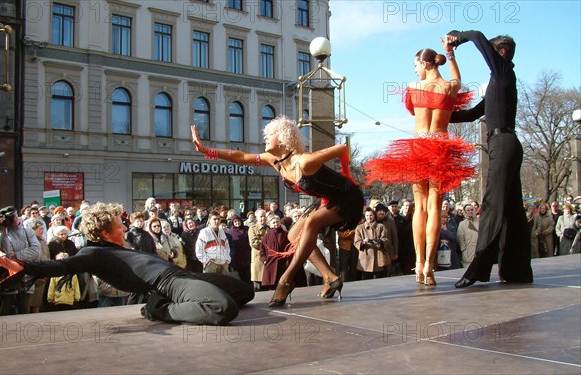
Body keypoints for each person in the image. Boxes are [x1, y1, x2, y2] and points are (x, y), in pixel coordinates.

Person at [0, 202, 255, 325]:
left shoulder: (120, 246)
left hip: (182, 275)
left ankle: (162, 303)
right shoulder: (93, 253)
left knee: (246, 291)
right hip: (170, 286)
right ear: (103, 232)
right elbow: (61, 267)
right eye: (118, 225)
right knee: (223, 308)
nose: (124, 228)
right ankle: (159, 309)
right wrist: (22, 265)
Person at [191, 115, 364, 307]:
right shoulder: (274, 160)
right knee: (293, 235)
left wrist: (347, 173)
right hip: (330, 199)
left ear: (283, 138)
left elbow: (341, 149)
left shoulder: (304, 162)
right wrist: (208, 151)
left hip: (349, 198)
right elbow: (241, 157)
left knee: (311, 222)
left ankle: (286, 280)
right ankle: (330, 277)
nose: (265, 138)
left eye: (270, 134)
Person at [364, 37, 474, 286]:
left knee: (420, 206)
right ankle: (429, 265)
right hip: (440, 146)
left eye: (415, 64)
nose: (414, 70)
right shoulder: (448, 87)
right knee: (435, 206)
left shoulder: (414, 87)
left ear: (425, 64)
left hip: (419, 145)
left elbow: (413, 110)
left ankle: (418, 262)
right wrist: (451, 54)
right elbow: (457, 80)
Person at [448, 30, 533, 287]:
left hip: (504, 145)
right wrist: (441, 115)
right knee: (512, 211)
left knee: (493, 204)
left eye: (493, 53)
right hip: (505, 144)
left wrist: (457, 37)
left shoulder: (504, 72)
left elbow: (477, 35)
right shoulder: (498, 83)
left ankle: (476, 269)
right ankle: (516, 271)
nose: (489, 57)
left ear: (502, 53)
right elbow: (473, 114)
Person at [0, 206, 41, 315]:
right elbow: (6, 253)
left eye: (15, 216)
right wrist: (4, 231)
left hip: (26, 275)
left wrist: (17, 255)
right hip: (10, 276)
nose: (14, 219)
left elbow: (36, 252)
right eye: (11, 218)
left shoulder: (27, 231)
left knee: (24, 308)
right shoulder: (1, 234)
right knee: (5, 309)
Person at [354, 207, 389, 280]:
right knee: (366, 280)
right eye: (367, 216)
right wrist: (363, 242)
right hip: (365, 257)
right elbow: (356, 242)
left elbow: (385, 239)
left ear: (374, 216)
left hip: (378, 256)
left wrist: (379, 242)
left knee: (379, 280)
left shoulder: (380, 226)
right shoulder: (360, 228)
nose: (369, 217)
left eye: (371, 215)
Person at [457, 204, 479, 269]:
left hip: (479, 249)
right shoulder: (462, 224)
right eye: (468, 210)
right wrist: (464, 250)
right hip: (468, 252)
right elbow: (460, 239)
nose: (470, 212)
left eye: (472, 210)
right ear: (465, 212)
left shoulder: (480, 222)